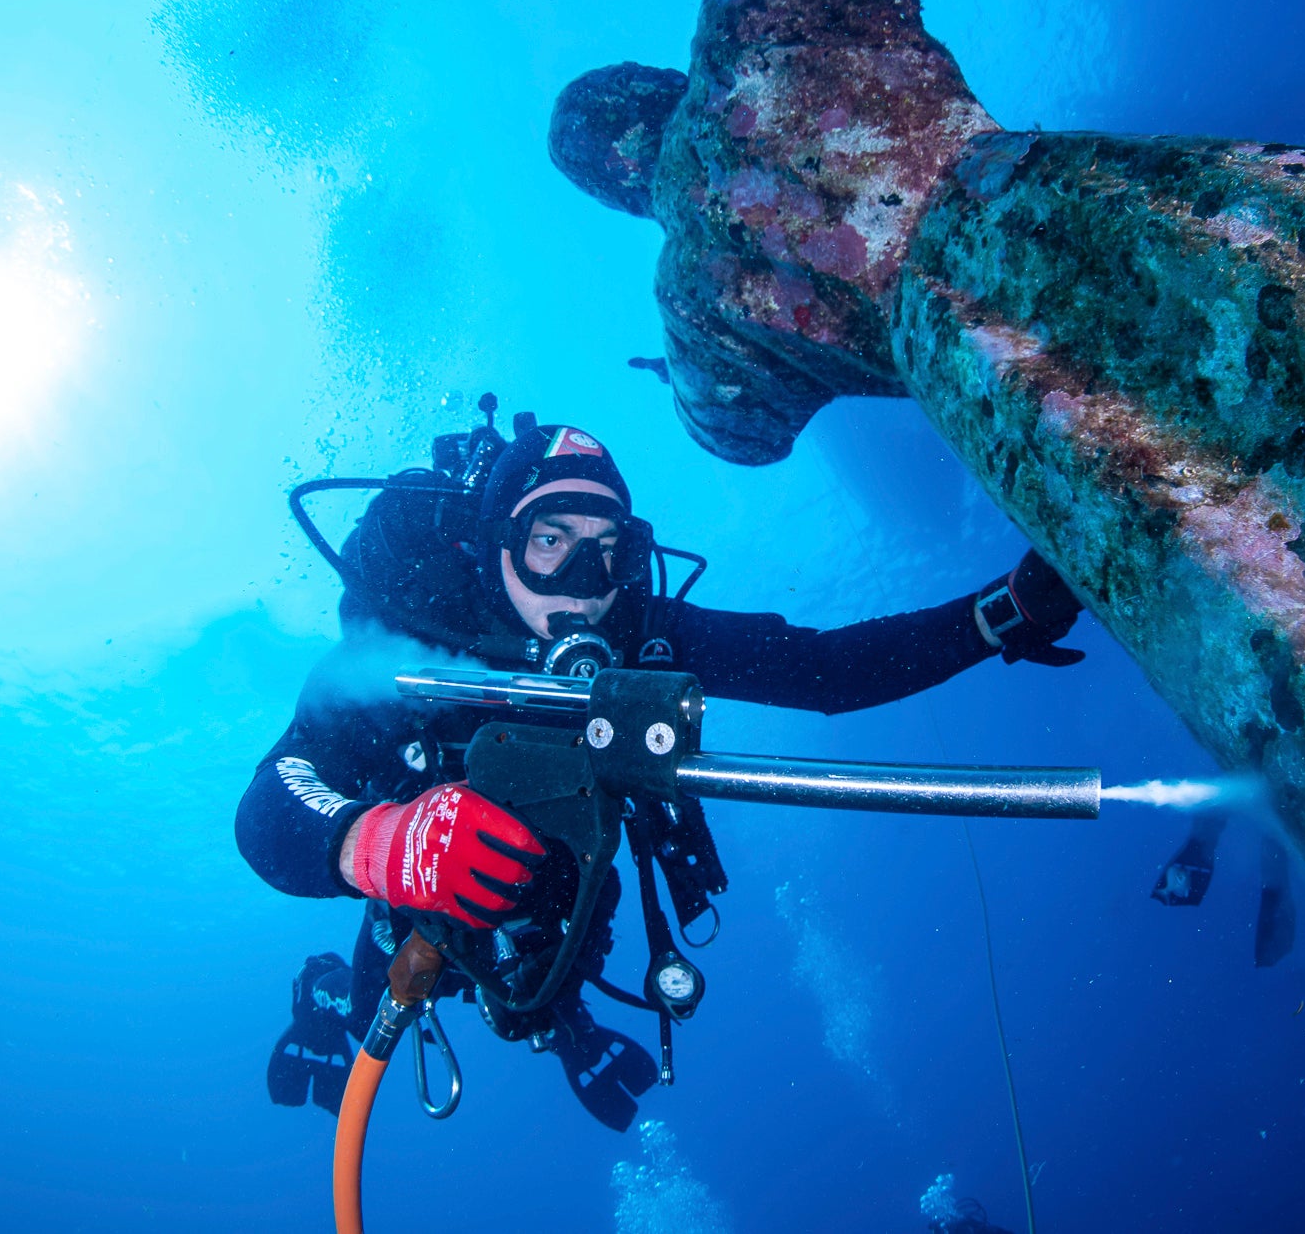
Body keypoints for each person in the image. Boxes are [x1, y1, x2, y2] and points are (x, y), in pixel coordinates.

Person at [236, 410, 1085, 1129]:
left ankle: (558, 1018)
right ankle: (326, 998)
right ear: (496, 543)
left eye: (609, 551)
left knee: (555, 962)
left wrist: (1000, 614)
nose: (583, 582)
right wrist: (380, 839)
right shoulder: (409, 647)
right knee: (388, 974)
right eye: (550, 541)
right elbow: (271, 802)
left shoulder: (644, 635)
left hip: (561, 881)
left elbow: (828, 668)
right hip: (422, 893)